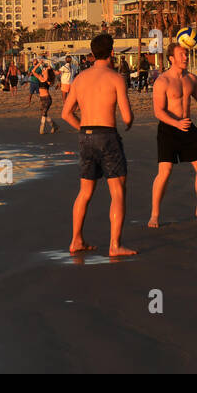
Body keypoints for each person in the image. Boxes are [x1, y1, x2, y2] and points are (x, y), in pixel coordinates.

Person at [61, 33, 136, 257]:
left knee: (85, 192)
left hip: (85, 136)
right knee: (117, 190)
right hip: (107, 135)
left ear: (92, 54)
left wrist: (84, 128)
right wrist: (128, 124)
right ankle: (115, 245)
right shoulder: (115, 78)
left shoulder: (80, 78)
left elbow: (66, 113)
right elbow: (127, 116)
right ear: (112, 53)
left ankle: (76, 240)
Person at [150, 42, 197, 227]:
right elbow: (158, 111)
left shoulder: (191, 79)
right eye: (182, 54)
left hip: (187, 127)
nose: (186, 57)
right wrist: (176, 123)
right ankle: (154, 214)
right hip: (168, 129)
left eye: (186, 54)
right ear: (171, 58)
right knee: (165, 172)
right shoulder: (162, 81)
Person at [37, 63, 56, 134]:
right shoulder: (40, 77)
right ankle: (54, 126)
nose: (43, 70)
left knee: (44, 113)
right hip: (41, 98)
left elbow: (48, 73)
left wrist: (48, 69)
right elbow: (33, 71)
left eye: (44, 70)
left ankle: (41, 128)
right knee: (43, 113)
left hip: (47, 99)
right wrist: (39, 63)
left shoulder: (47, 80)